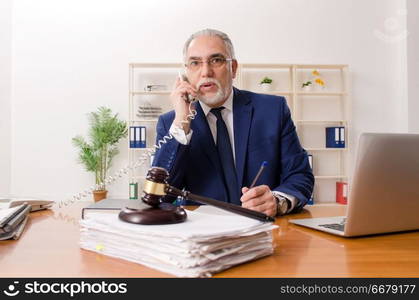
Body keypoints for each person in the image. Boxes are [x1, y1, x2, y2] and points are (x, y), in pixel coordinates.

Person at [153, 29, 314, 217]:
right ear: (186, 73)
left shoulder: (273, 110)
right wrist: (182, 122)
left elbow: (300, 175)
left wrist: (277, 201)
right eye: (195, 63)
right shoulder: (171, 123)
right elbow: (159, 196)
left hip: (264, 232)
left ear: (234, 68)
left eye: (216, 60)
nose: (206, 72)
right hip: (203, 235)